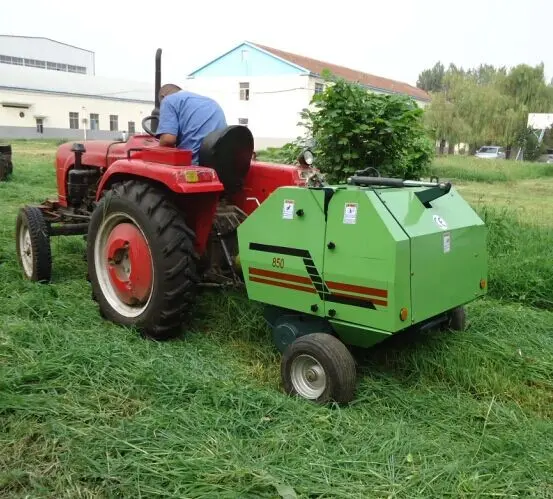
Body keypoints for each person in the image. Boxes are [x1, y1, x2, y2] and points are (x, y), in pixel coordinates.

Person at [156, 84, 227, 164]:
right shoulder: (210, 101)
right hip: (220, 161)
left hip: (193, 162)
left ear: (163, 96)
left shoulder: (168, 100)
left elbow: (167, 140)